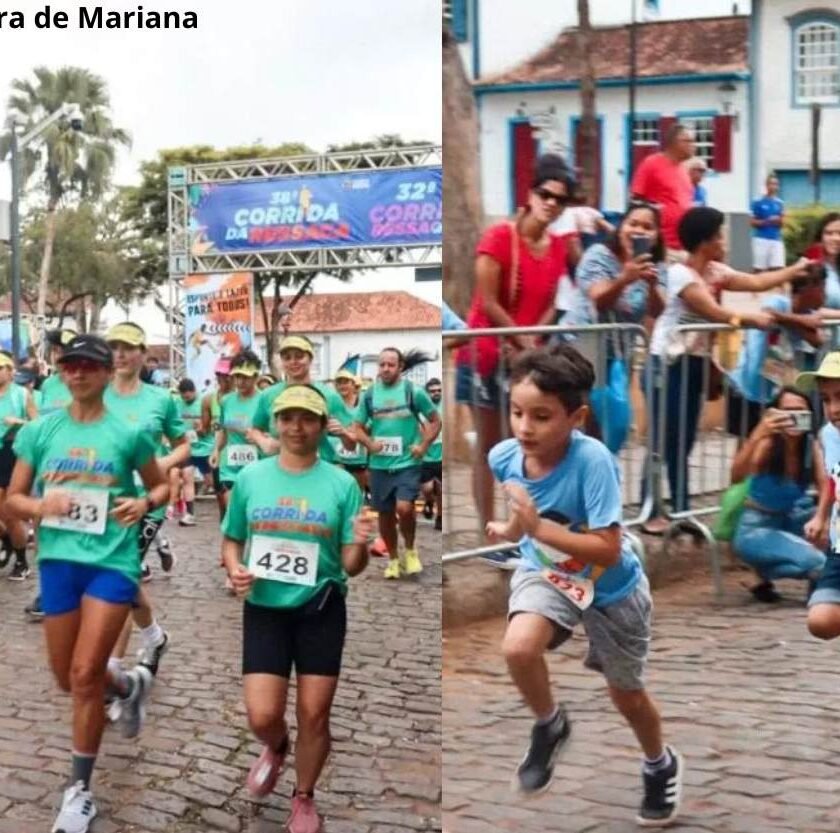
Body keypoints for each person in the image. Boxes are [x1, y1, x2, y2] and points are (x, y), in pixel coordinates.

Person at [486, 343, 682, 825]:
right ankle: (549, 724)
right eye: (516, 413)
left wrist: (534, 530)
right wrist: (512, 532)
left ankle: (660, 763)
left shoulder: (593, 462)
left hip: (612, 589)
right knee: (518, 648)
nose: (525, 428)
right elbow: (524, 511)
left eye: (541, 416)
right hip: (546, 574)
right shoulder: (503, 457)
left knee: (626, 695)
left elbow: (607, 548)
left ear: (576, 417)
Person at [7, 333, 168, 833]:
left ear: (105, 373)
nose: (77, 374)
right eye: (69, 366)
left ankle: (79, 792)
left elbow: (161, 483)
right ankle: (128, 684)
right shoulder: (40, 431)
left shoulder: (128, 433)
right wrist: (40, 507)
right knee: (65, 677)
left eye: (88, 366)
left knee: (82, 675)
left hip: (111, 562)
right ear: (60, 372)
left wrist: (143, 503)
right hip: (59, 561)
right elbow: (12, 498)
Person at [221, 384, 375, 833]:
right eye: (287, 418)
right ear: (276, 422)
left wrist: (361, 545)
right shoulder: (252, 478)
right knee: (263, 715)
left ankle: (304, 796)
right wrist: (235, 569)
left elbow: (351, 564)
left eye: (306, 419)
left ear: (320, 425)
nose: (296, 427)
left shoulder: (342, 483)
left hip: (320, 607)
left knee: (315, 713)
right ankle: (276, 745)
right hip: (265, 606)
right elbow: (232, 540)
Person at [642, 207, 816, 534]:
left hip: (694, 361)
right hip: (667, 362)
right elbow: (715, 312)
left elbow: (756, 280)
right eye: (719, 235)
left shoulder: (715, 270)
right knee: (665, 438)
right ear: (705, 241)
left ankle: (680, 510)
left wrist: (794, 270)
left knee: (685, 439)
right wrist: (751, 320)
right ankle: (652, 508)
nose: (724, 241)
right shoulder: (682, 275)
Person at [455, 155, 575, 546]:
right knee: (491, 448)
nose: (552, 203)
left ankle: (519, 529)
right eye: (546, 193)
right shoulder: (498, 238)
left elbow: (550, 302)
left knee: (523, 448)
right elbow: (487, 301)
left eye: (561, 198)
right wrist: (522, 340)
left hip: (526, 359)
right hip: (486, 352)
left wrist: (532, 342)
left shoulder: (557, 247)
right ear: (530, 193)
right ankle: (489, 532)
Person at [104, 322, 189, 680]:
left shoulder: (161, 400)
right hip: (103, 502)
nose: (121, 354)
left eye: (129, 347)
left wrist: (158, 464)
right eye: (115, 347)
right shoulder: (96, 394)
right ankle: (155, 638)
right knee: (120, 577)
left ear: (143, 354)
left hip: (145, 500)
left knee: (119, 580)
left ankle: (111, 670)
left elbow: (183, 444)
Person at [729, 387, 825, 601]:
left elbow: (824, 485)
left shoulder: (810, 446)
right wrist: (758, 433)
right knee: (819, 563)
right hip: (756, 529)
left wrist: (822, 518)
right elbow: (736, 476)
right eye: (787, 412)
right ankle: (763, 572)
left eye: (800, 411)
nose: (794, 417)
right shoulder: (768, 445)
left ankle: (765, 574)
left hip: (789, 519)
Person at [354, 348, 441, 579]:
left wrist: (423, 446)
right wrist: (369, 444)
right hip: (379, 466)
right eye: (381, 364)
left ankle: (411, 550)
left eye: (390, 365)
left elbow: (435, 421)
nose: (385, 369)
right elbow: (356, 427)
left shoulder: (414, 392)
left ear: (400, 367)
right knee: (384, 515)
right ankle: (393, 558)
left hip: (407, 463)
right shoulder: (370, 394)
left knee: (404, 508)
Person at [726, 264, 825, 437]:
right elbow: (769, 313)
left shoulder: (809, 314)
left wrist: (797, 322)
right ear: (807, 288)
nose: (824, 294)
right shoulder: (778, 302)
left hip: (773, 392)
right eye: (821, 288)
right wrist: (800, 320)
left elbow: (818, 340)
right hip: (746, 385)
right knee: (747, 444)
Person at [249, 335, 357, 465]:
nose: (293, 362)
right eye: (287, 358)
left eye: (299, 356)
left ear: (310, 358)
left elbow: (351, 445)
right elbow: (254, 429)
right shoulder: (268, 395)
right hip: (278, 469)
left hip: (319, 469)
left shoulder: (330, 396)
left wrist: (343, 433)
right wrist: (264, 442)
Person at [793, 353, 840, 639]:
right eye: (826, 399)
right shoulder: (829, 435)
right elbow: (833, 480)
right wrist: (821, 515)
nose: (834, 408)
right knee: (820, 622)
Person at [630, 123, 695, 260]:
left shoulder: (684, 170)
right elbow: (635, 200)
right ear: (674, 143)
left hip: (682, 246)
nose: (693, 145)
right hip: (660, 246)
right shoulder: (652, 163)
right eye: (688, 141)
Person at [210, 349, 264, 512]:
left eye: (245, 377)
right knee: (232, 514)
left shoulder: (264, 400)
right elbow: (222, 429)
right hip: (230, 467)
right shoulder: (226, 401)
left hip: (257, 466)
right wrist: (216, 451)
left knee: (252, 515)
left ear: (256, 377)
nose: (240, 382)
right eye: (237, 376)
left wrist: (258, 436)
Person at [0, 350, 38, 580]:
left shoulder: (21, 395)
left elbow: (37, 425)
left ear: (9, 371)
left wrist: (19, 422)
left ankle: (22, 561)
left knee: (10, 512)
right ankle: (7, 541)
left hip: (12, 452)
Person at [175, 377, 213, 525]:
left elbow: (214, 425)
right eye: (183, 396)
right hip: (188, 448)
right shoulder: (177, 403)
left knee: (212, 481)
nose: (186, 399)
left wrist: (203, 427)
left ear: (194, 391)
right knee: (187, 477)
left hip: (205, 448)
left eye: (188, 396)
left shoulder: (203, 403)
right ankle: (189, 514)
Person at [202, 356, 234, 519]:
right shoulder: (209, 399)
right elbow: (205, 428)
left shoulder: (242, 397)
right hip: (218, 453)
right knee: (221, 499)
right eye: (220, 375)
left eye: (227, 375)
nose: (223, 379)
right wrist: (199, 428)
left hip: (238, 453)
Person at [332, 368, 368, 495]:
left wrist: (356, 430)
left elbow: (369, 425)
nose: (342, 386)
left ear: (353, 384)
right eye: (339, 383)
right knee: (339, 492)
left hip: (359, 457)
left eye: (345, 382)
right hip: (337, 457)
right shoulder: (332, 403)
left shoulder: (363, 402)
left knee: (357, 493)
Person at [751, 173, 786, 272]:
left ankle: (775, 287)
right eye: (771, 184)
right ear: (766, 185)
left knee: (777, 268)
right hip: (761, 239)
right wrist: (767, 221)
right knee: (759, 269)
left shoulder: (780, 203)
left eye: (776, 184)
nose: (774, 186)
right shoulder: (758, 202)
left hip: (776, 239)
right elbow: (752, 222)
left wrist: (779, 220)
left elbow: (782, 223)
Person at [421, 378, 443, 530]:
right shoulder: (422, 409)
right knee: (428, 489)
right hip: (426, 455)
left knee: (441, 489)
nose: (436, 393)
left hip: (441, 454)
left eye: (439, 390)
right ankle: (428, 501)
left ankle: (440, 517)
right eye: (433, 391)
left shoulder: (444, 407)